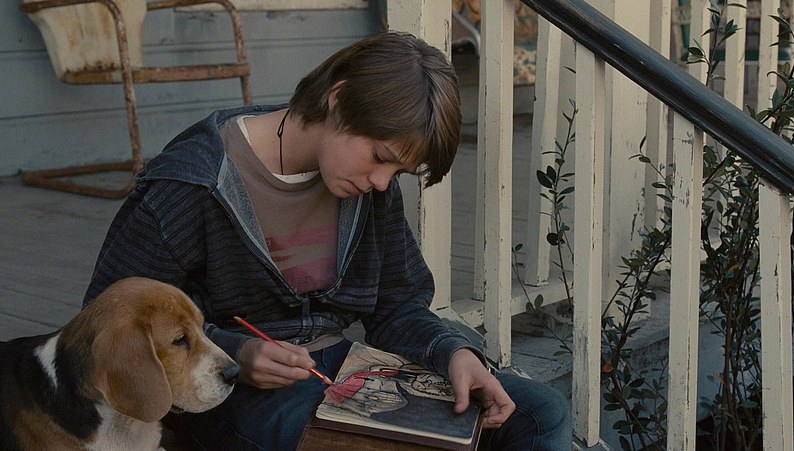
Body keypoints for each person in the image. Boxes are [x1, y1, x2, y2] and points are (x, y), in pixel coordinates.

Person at [83, 31, 571, 450]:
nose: (382, 182)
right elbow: (109, 323)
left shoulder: (368, 189)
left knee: (540, 416)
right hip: (229, 388)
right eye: (380, 156)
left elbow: (398, 305)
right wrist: (235, 353)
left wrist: (454, 353)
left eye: (398, 171)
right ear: (338, 100)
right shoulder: (190, 185)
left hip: (344, 368)